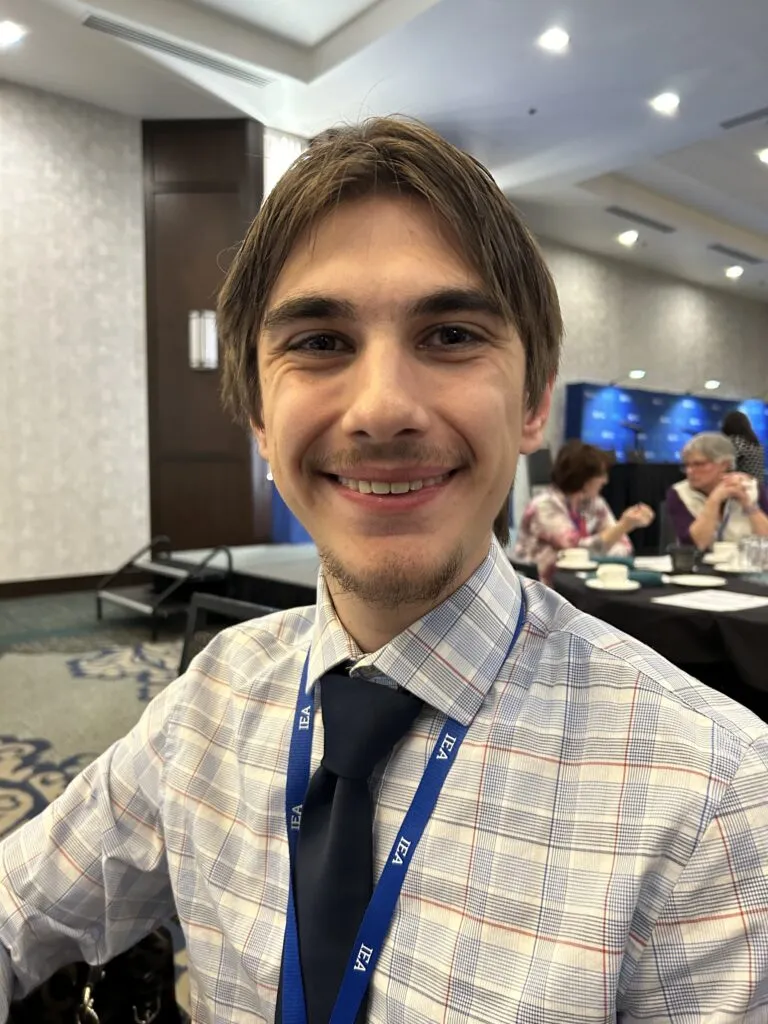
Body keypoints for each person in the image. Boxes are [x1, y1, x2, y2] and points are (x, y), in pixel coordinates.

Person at [2, 118, 768, 1024]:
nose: (383, 410)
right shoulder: (209, 701)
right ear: (258, 416)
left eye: (449, 334)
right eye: (320, 342)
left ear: (532, 403)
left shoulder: (714, 803)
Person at [513, 439, 655, 583]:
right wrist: (623, 526)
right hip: (544, 587)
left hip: (584, 582)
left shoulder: (595, 503)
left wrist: (618, 536)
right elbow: (576, 552)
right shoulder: (545, 505)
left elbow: (623, 546)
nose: (605, 481)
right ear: (583, 477)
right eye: (601, 475)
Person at [667, 431, 768, 549]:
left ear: (724, 465)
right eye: (687, 465)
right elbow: (696, 545)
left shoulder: (752, 488)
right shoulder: (679, 493)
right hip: (700, 565)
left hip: (746, 564)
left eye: (699, 464)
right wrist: (714, 499)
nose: (690, 471)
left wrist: (748, 504)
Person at [722, 409, 765, 484]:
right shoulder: (755, 443)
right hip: (758, 487)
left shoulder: (736, 441)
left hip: (742, 487)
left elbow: (725, 464)